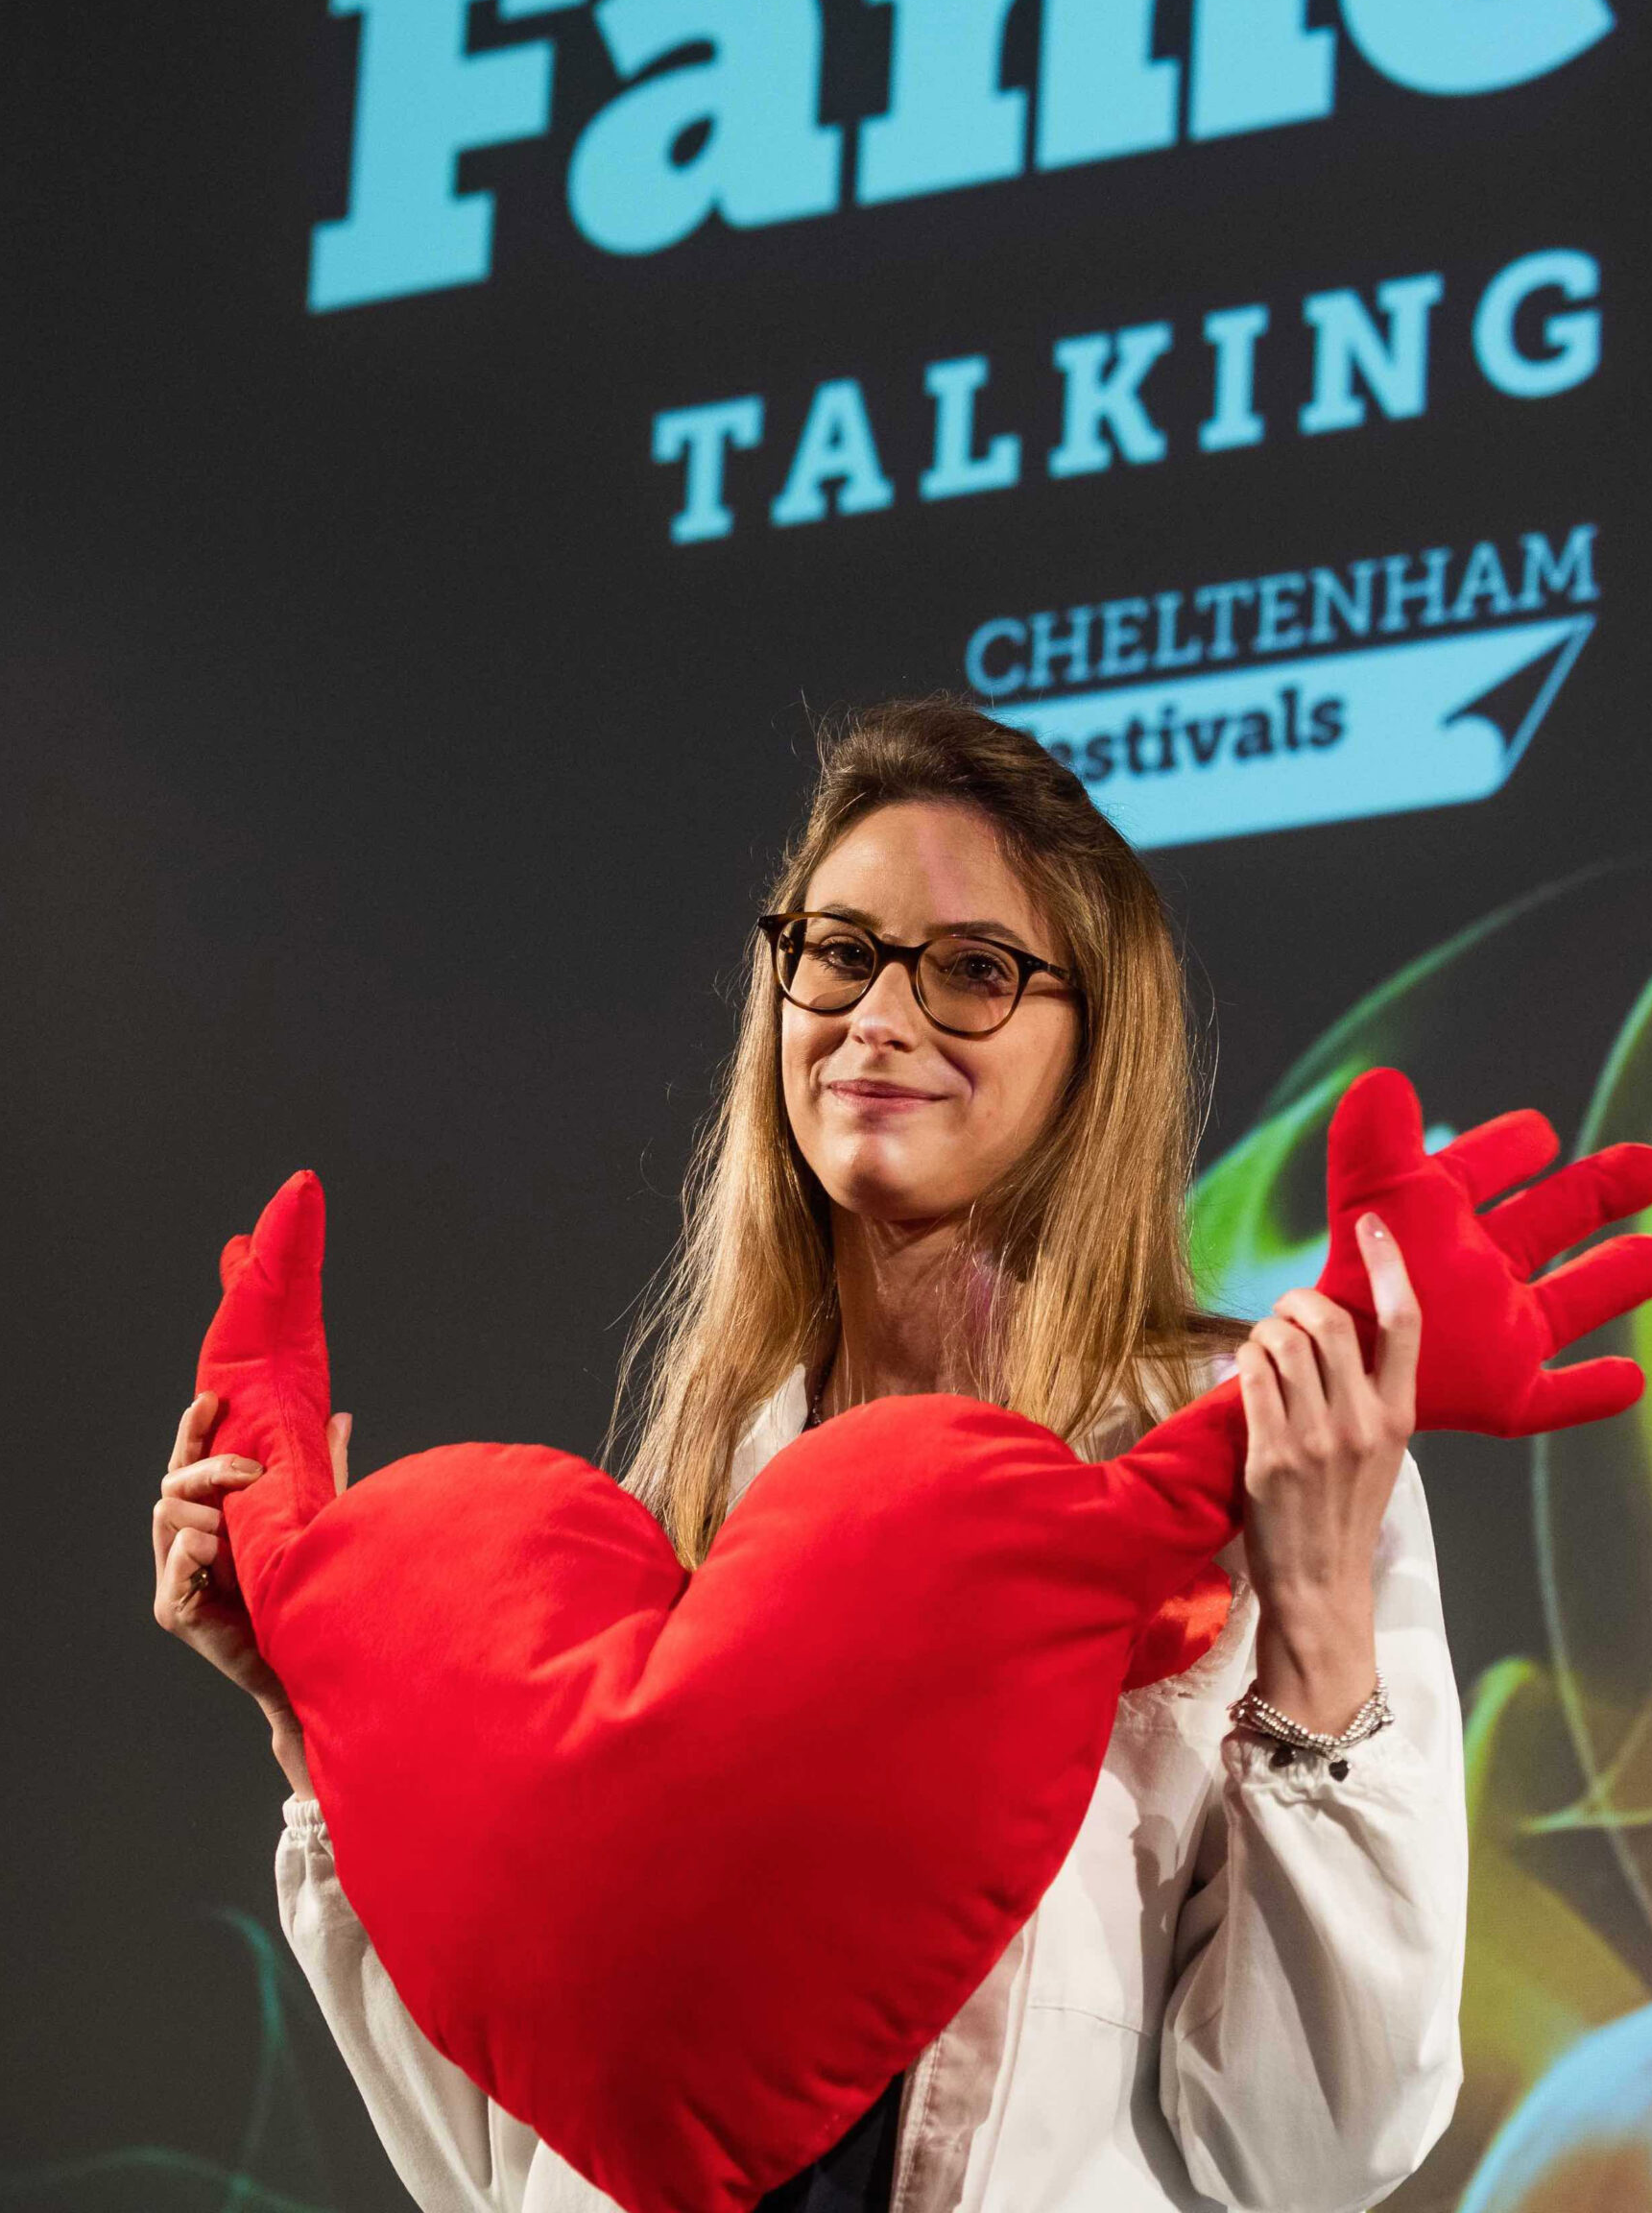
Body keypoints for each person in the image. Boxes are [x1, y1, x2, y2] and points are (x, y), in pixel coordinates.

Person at [152, 698, 1470, 2213]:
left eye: (973, 972)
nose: (878, 1017)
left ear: (1094, 1051)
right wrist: (313, 1722)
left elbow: (1320, 2151)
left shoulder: (1264, 1460)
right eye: (839, 952)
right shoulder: (672, 1526)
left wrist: (1311, 1619)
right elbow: (506, 2158)